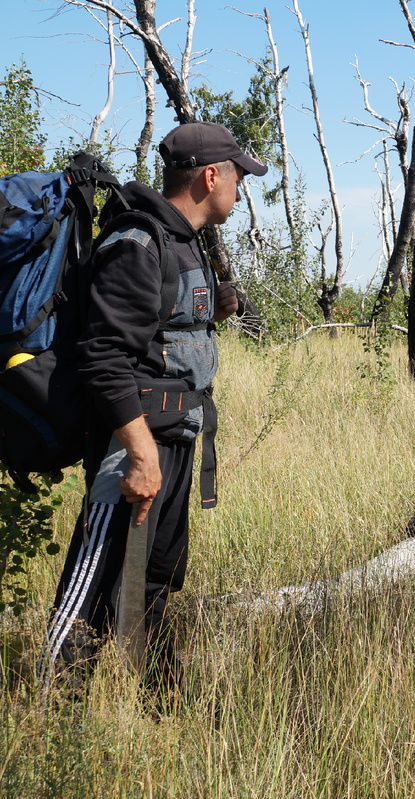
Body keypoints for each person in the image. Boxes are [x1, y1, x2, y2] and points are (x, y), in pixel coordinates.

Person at [42, 121, 267, 693]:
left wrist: (211, 314)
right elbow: (103, 357)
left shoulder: (182, 240)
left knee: (156, 582)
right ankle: (48, 716)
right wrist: (141, 456)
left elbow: (159, 334)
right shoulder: (137, 243)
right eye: (237, 178)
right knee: (91, 586)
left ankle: (159, 710)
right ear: (210, 176)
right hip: (132, 445)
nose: (240, 189)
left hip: (174, 438)